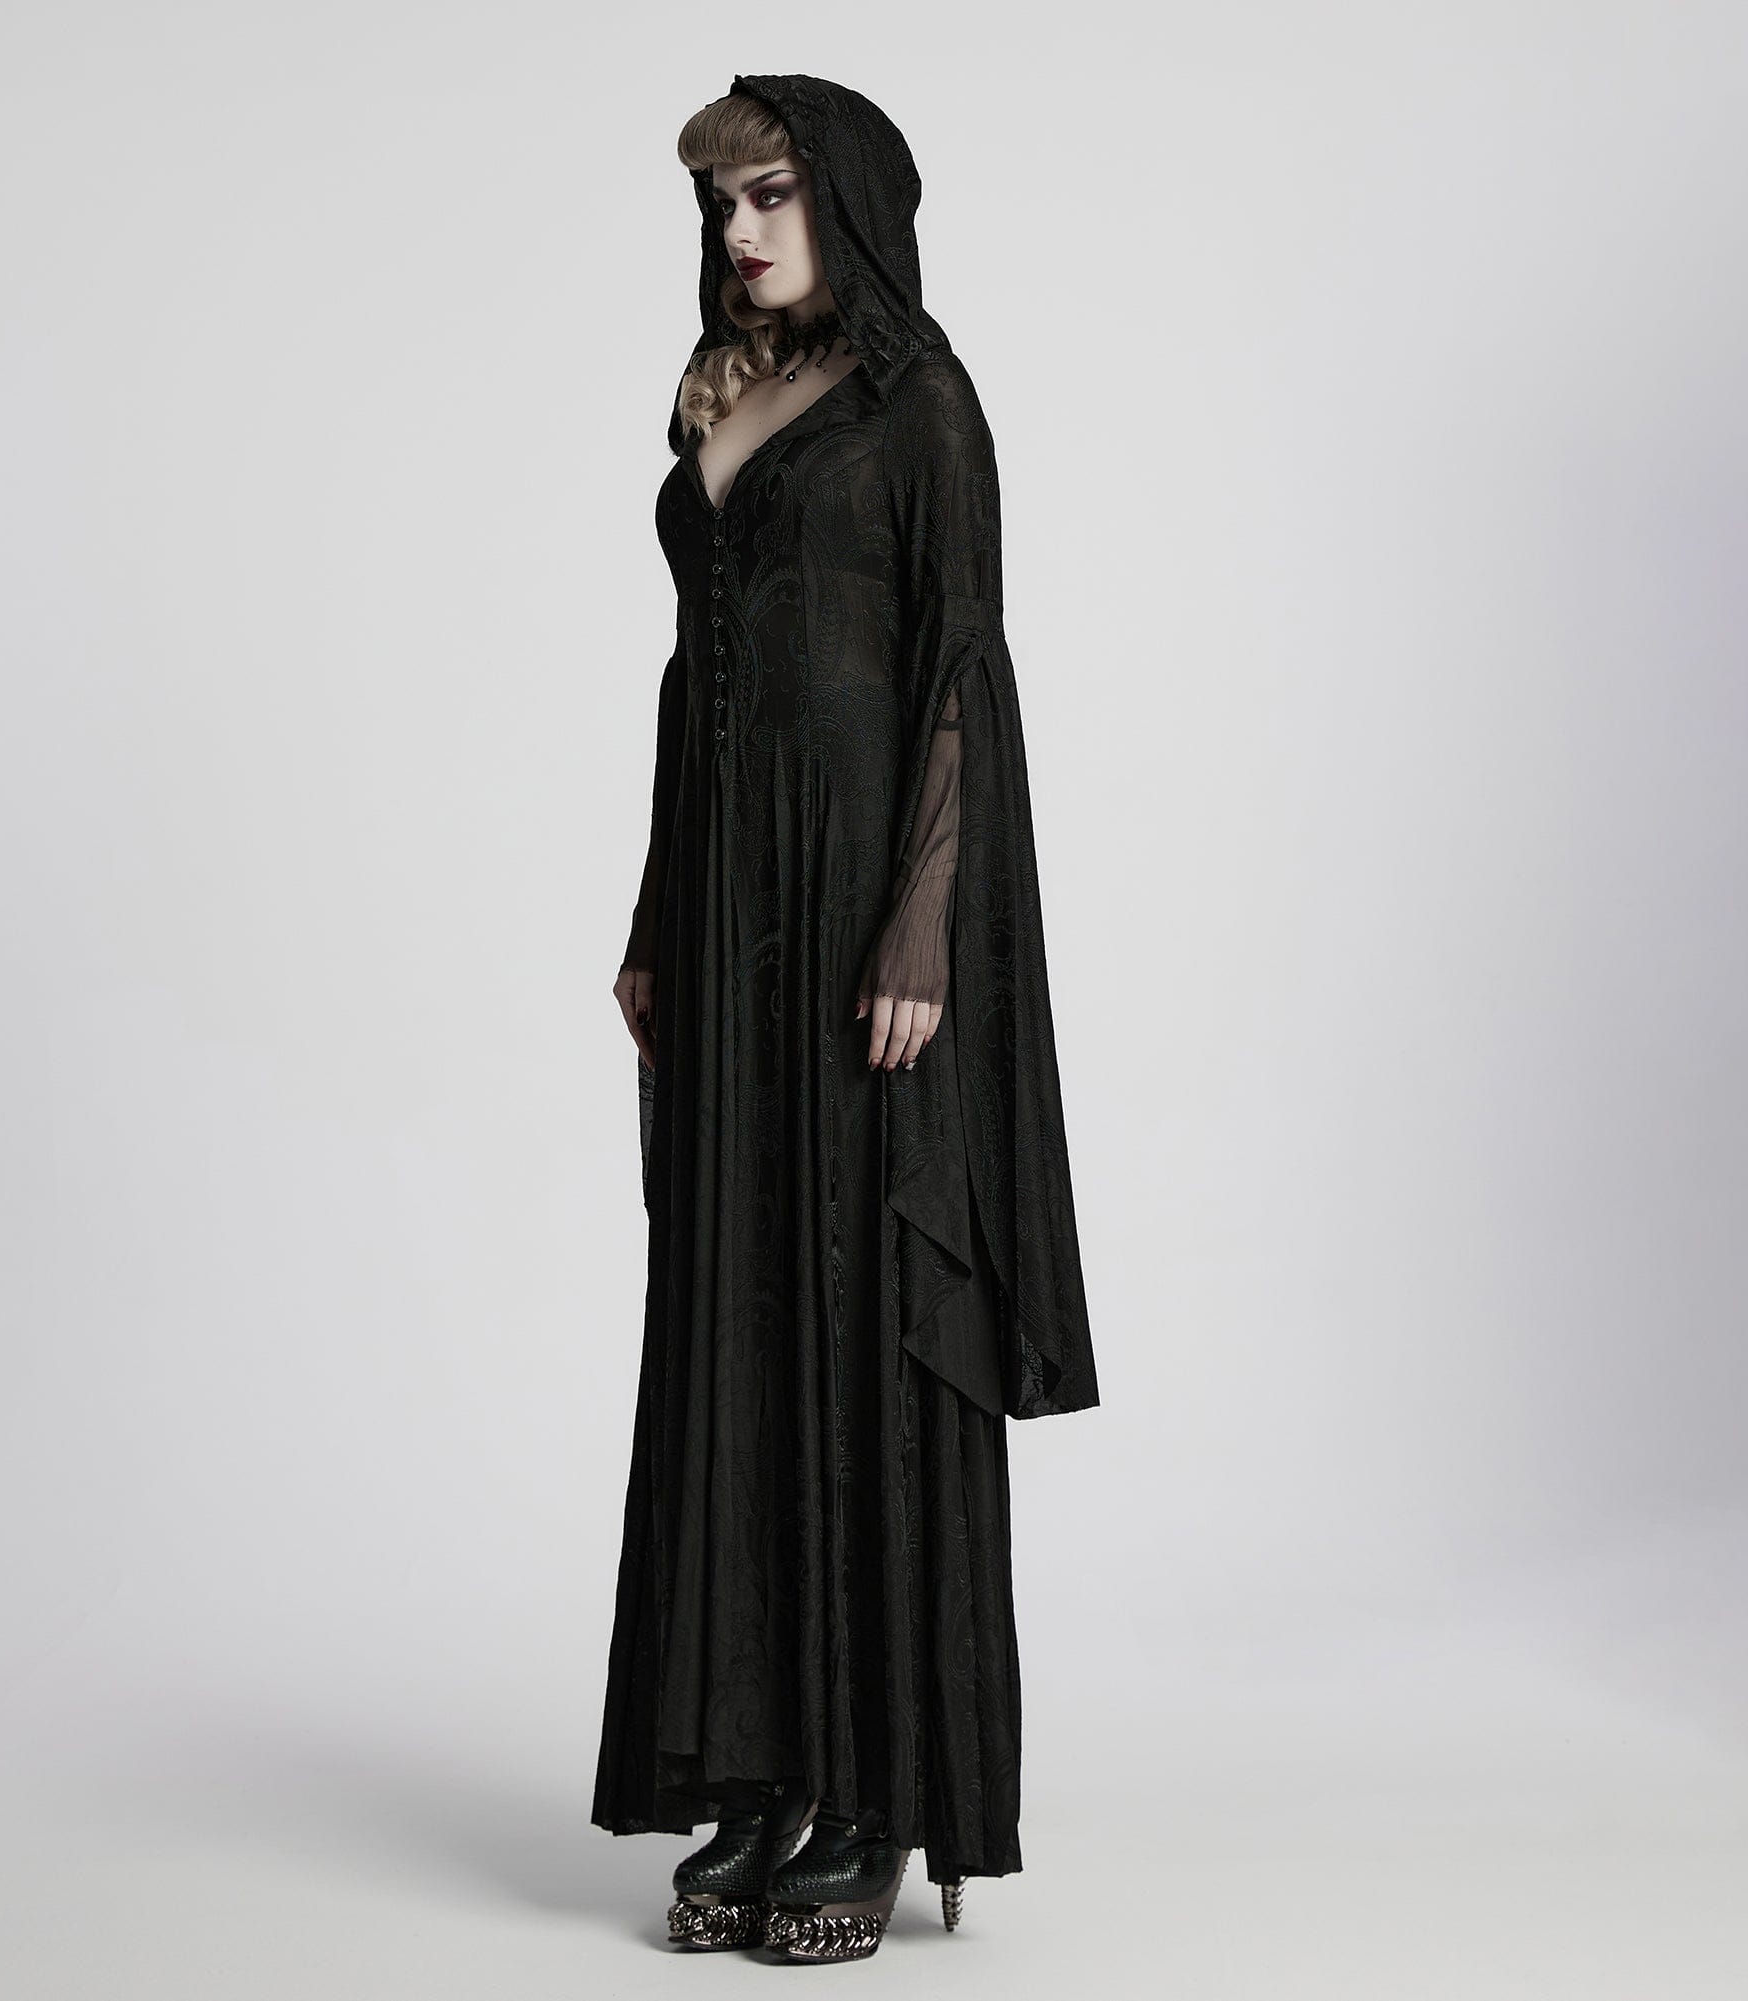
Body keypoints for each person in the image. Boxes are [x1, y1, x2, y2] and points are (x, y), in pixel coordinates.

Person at [594, 73, 1101, 1964]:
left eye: (771, 194)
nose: (738, 230)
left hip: (864, 923)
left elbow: (958, 667)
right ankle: (756, 1767)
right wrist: (654, 915)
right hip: (730, 916)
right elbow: (692, 683)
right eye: (720, 201)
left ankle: (876, 1795)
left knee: (864, 1312)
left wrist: (920, 927)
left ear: (850, 201)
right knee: (739, 1304)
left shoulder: (921, 405)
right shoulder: (721, 397)